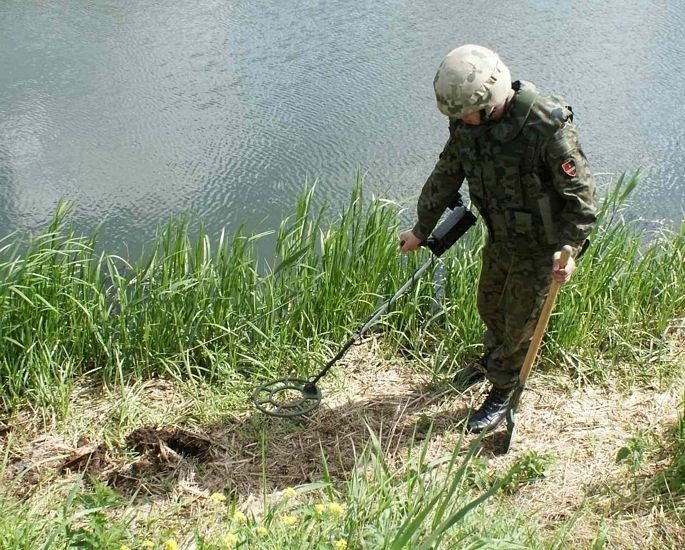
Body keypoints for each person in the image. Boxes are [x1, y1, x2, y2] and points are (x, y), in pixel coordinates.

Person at [399, 44, 597, 433]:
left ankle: (505, 388)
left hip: (544, 246)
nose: (458, 120)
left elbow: (583, 198)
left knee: (521, 319)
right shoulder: (466, 124)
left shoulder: (545, 125)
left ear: (489, 102)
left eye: (463, 113)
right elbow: (445, 175)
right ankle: (493, 359)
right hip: (502, 235)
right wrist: (421, 230)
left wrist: (571, 248)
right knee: (489, 304)